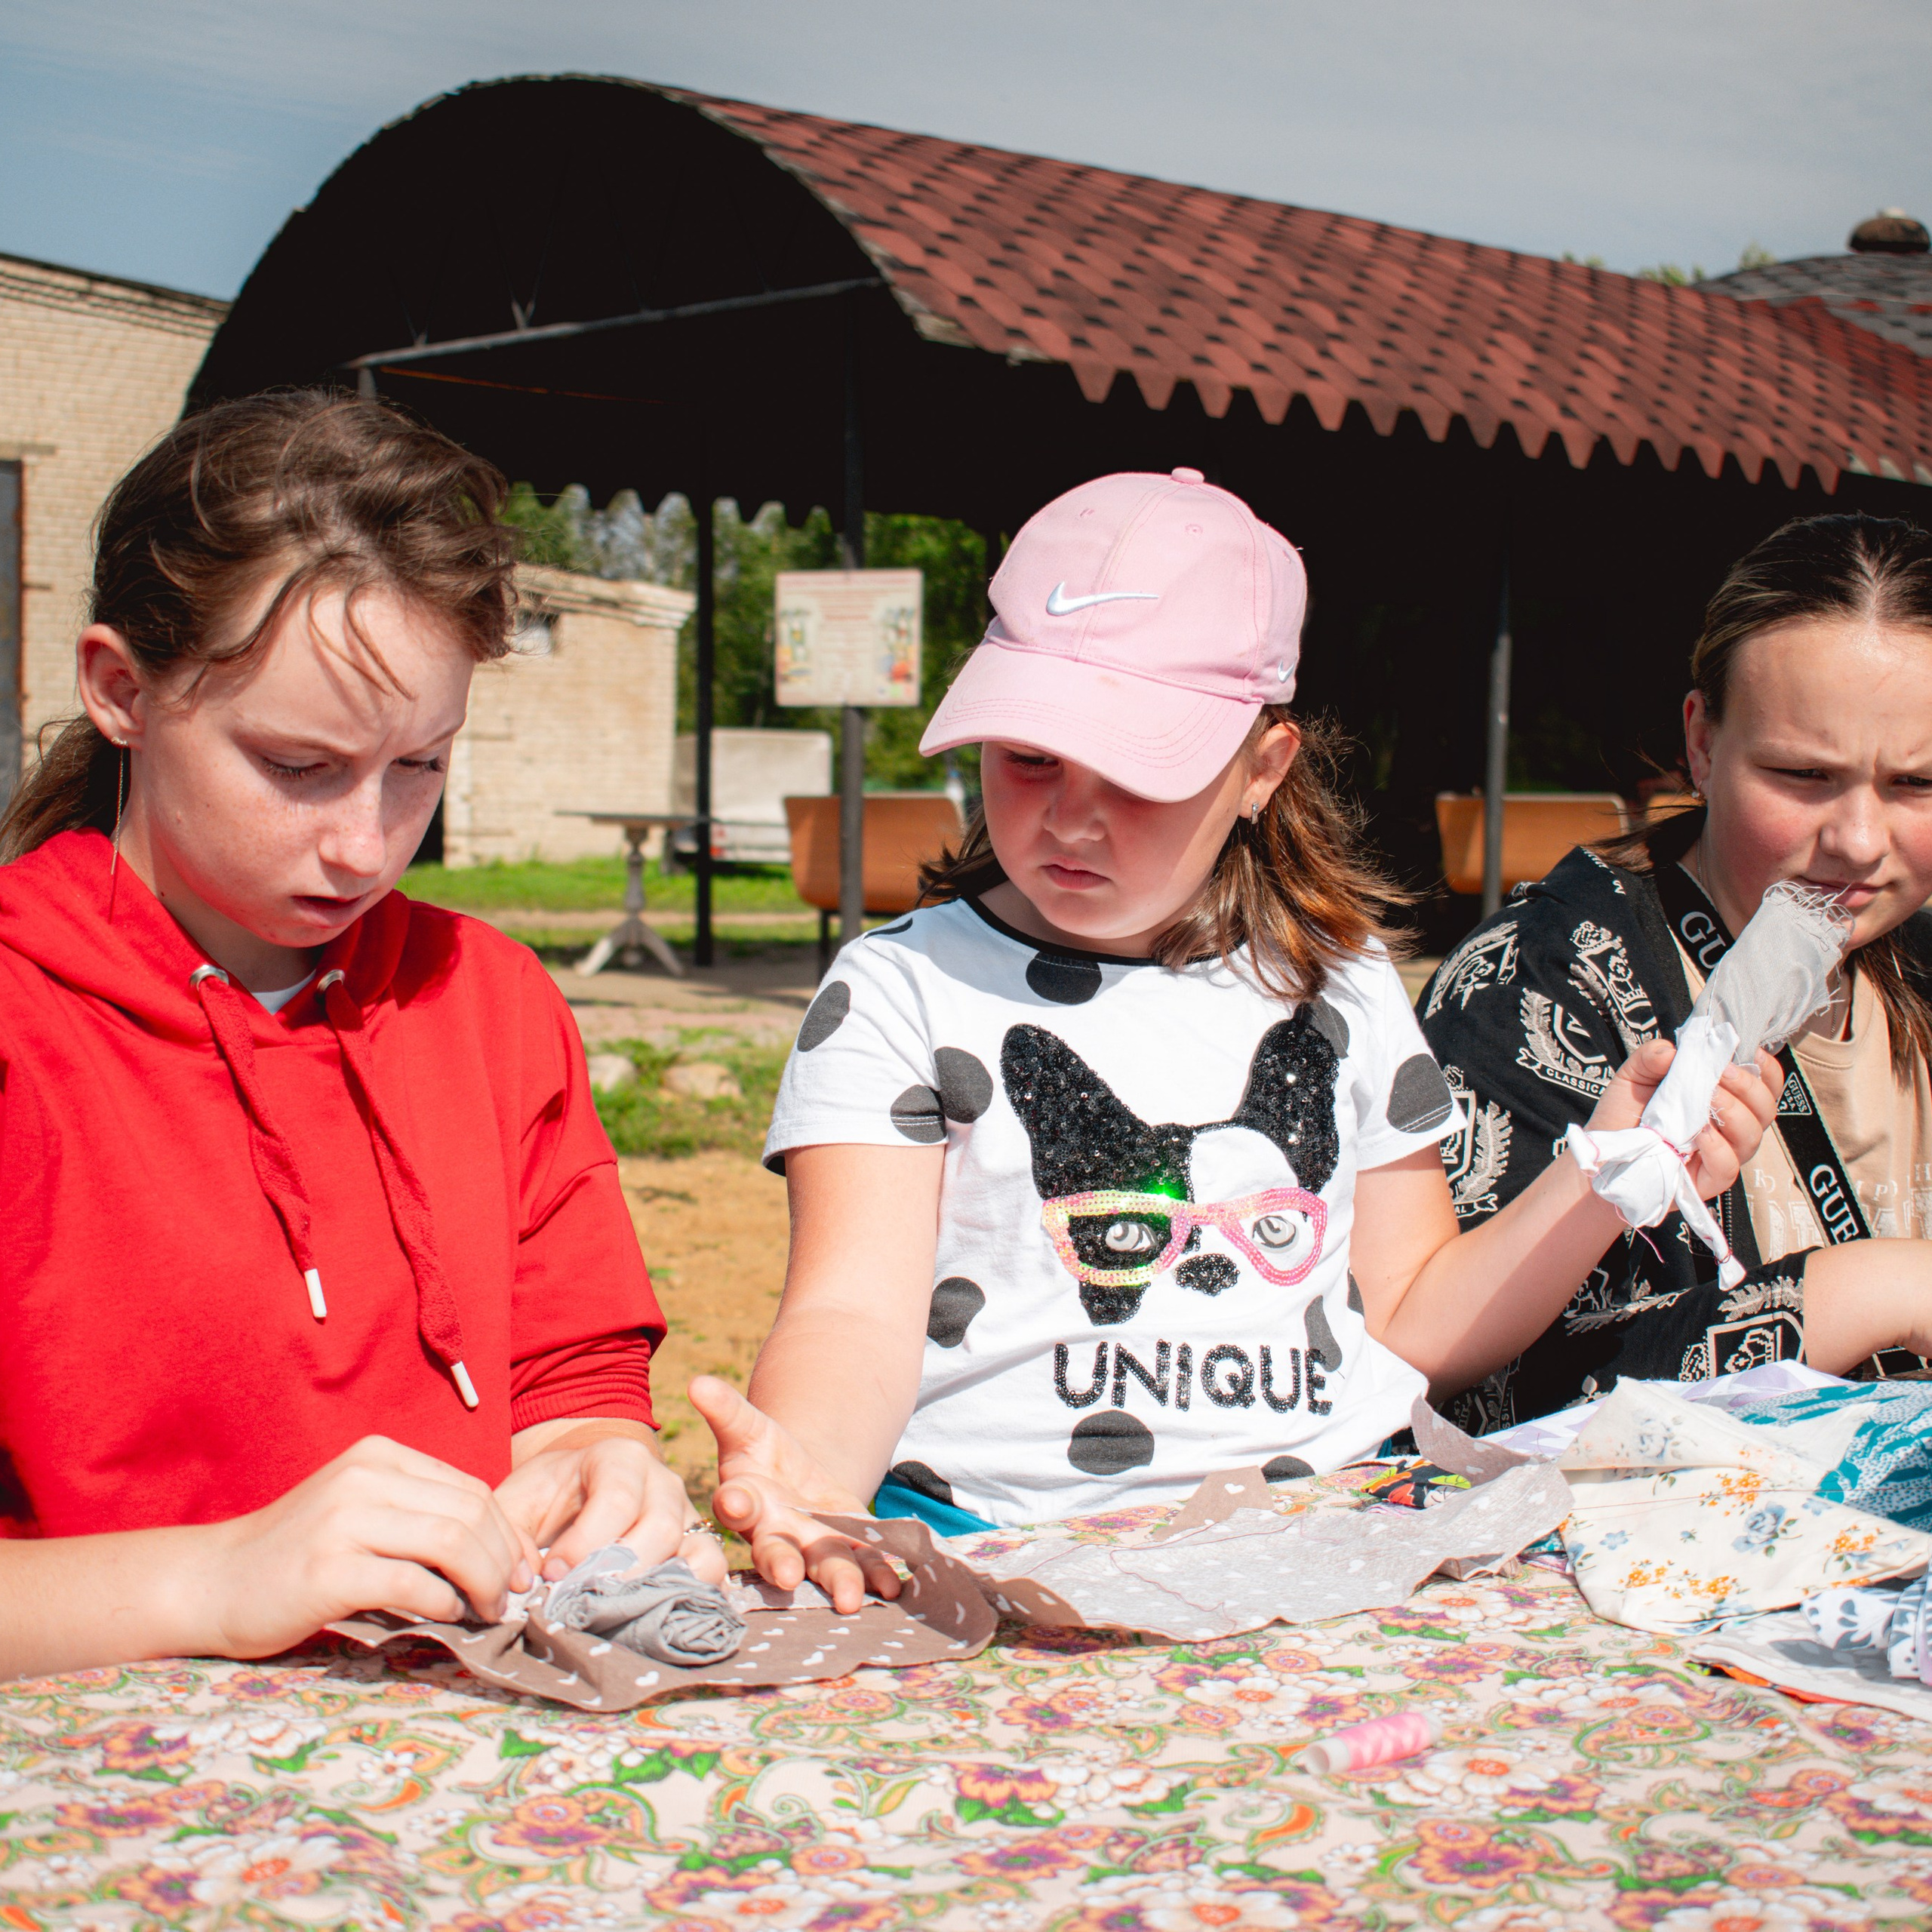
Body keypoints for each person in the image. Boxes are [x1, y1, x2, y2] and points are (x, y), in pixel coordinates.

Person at [687, 468, 1777, 1612]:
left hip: (1333, 1545)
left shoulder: (1341, 985)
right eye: (1030, 757)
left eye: (1138, 773)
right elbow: (853, 1313)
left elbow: (1412, 1317)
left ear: (1264, 770)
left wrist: (1608, 1171)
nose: (1069, 815)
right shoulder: (904, 991)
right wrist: (810, 1483)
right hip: (1000, 1545)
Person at [0, 392, 714, 1682]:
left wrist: (594, 1471)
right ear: (121, 690)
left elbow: (569, 1376)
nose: (365, 845)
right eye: (297, 765)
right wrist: (211, 1578)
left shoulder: (487, 1004)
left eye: (419, 770)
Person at [1418, 512, 1932, 1435]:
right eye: (1801, 775)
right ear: (1701, 744)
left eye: (1916, 785)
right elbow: (1476, 1400)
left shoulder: (1916, 967)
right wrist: (1882, 1287)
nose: (1857, 841)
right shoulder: (1531, 990)